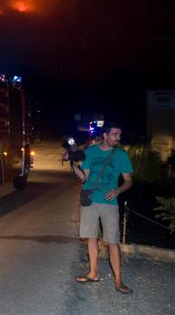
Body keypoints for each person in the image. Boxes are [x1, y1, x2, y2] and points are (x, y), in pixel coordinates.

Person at [64, 122, 134, 294]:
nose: (118, 138)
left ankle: (118, 281)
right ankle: (93, 273)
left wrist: (117, 190)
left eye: (119, 134)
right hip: (90, 201)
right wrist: (73, 163)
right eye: (115, 134)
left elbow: (129, 181)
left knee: (112, 242)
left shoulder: (121, 155)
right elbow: (83, 179)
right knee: (91, 238)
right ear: (105, 135)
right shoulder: (90, 152)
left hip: (110, 204)